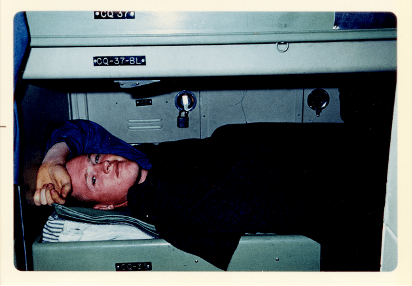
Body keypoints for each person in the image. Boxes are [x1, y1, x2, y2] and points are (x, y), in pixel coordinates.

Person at [34, 119, 389, 271]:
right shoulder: (164, 203)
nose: (104, 164)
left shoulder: (138, 159)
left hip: (325, 147)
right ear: (108, 206)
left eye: (97, 158)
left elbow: (80, 129)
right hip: (345, 179)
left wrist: (54, 159)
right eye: (93, 179)